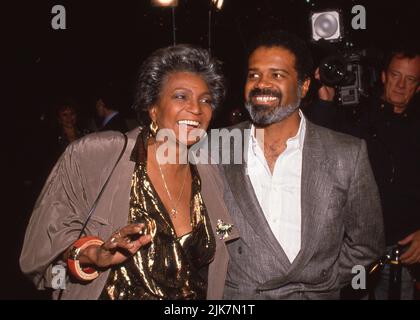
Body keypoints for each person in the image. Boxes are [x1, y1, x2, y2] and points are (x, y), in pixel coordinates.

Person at [20, 44, 229, 300]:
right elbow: (43, 245)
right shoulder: (98, 154)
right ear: (153, 108)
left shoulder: (210, 173)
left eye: (205, 100)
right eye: (180, 96)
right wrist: (93, 254)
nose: (196, 109)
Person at [212, 30, 385, 299]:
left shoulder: (346, 154)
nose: (261, 84)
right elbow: (206, 226)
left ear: (304, 86)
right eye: (253, 75)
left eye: (277, 75)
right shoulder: (218, 147)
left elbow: (367, 244)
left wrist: (320, 280)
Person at [313, 49, 420, 299]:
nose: (401, 85)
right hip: (352, 247)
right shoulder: (356, 113)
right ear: (383, 76)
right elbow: (317, 145)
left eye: (411, 79)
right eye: (395, 75)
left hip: (403, 249)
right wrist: (324, 101)